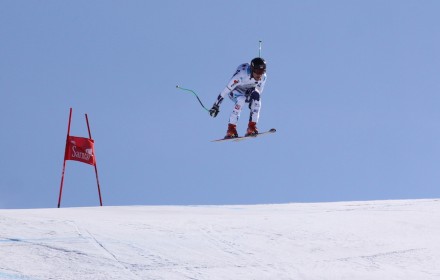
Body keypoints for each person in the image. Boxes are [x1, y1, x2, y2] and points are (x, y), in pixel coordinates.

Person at [209, 57, 267, 139]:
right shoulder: (241, 75)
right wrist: (216, 105)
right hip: (235, 91)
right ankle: (231, 129)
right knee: (241, 99)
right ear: (252, 69)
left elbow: (259, 91)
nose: (259, 75)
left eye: (262, 71)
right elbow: (225, 91)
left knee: (257, 97)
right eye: (257, 72)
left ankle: (252, 127)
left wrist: (252, 103)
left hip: (248, 92)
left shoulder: (263, 77)